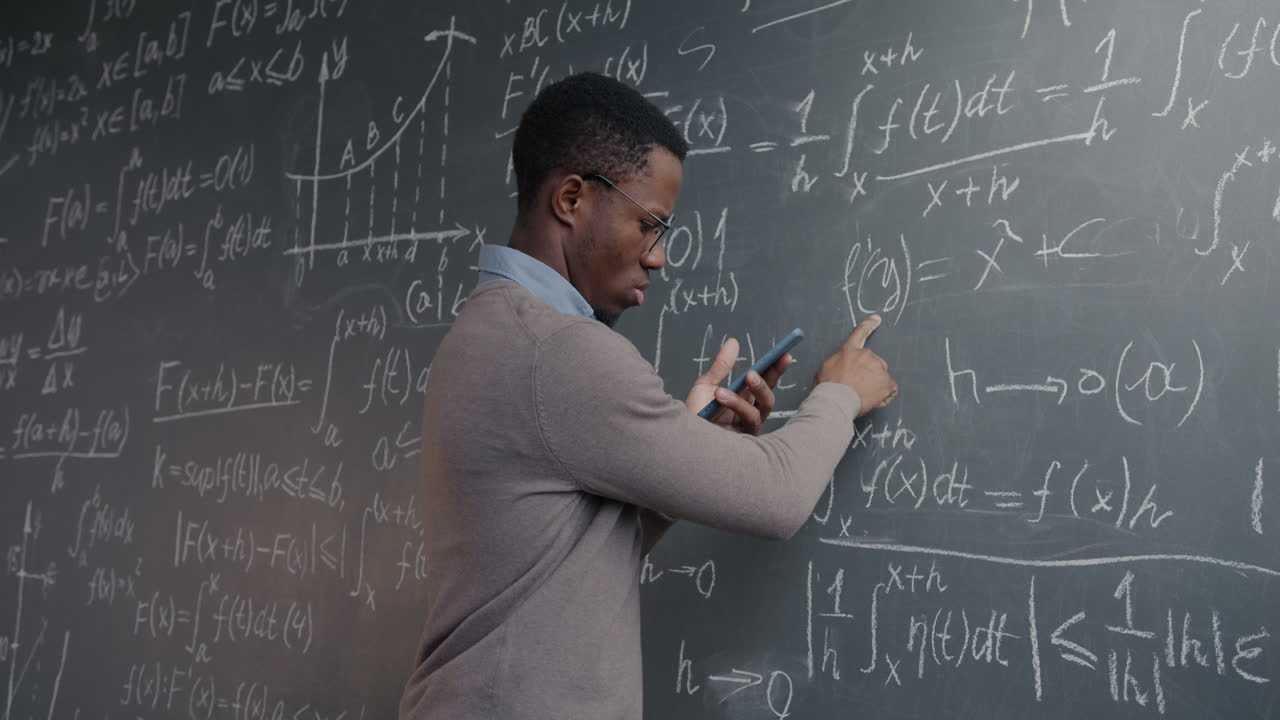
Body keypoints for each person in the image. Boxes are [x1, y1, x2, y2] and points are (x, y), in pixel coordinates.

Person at [398, 72, 897, 720]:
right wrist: (840, 392)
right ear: (572, 198)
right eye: (649, 224)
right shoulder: (561, 350)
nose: (658, 258)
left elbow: (567, 558)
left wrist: (688, 448)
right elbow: (777, 498)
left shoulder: (491, 329)